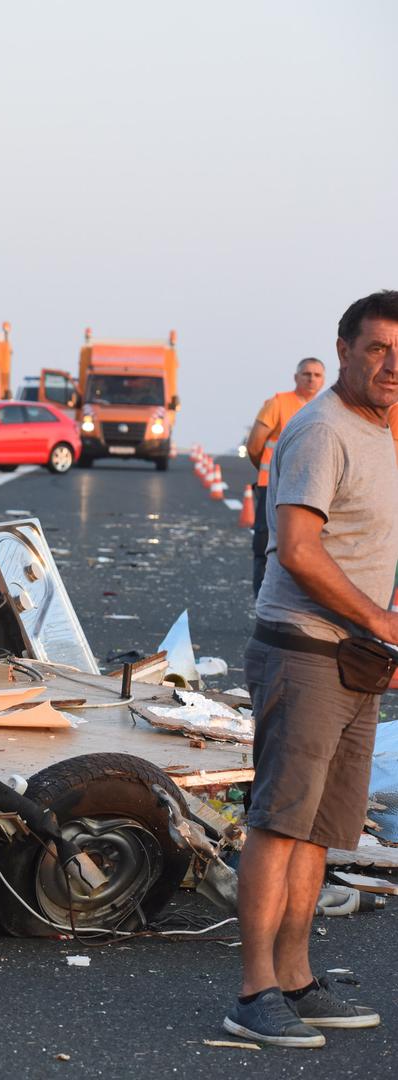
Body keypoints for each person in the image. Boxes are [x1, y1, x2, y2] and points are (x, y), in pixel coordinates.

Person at [226, 291, 398, 1048]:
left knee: (319, 831)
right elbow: (296, 549)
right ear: (343, 351)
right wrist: (380, 621)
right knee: (279, 824)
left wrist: (384, 636)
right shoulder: (322, 430)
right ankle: (253, 992)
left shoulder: (383, 431)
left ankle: (295, 978)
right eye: (377, 348)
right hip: (304, 653)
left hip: (356, 659)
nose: (390, 365)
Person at [245, 358, 326, 595]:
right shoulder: (279, 403)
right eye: (306, 374)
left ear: (323, 380)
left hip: (309, 489)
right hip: (272, 487)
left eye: (317, 375)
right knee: (265, 545)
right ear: (296, 377)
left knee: (305, 547)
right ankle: (261, 602)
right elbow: (255, 445)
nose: (311, 379)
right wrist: (268, 475)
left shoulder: (327, 408)